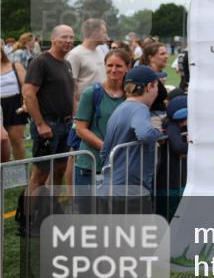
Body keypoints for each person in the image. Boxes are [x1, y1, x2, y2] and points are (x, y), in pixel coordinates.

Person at [22, 25, 76, 192]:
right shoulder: (41, 62)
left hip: (66, 126)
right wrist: (40, 124)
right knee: (40, 175)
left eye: (71, 37)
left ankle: (51, 206)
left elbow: (70, 94)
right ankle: (31, 209)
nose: (68, 41)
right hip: (48, 126)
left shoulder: (66, 63)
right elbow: (29, 94)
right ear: (53, 39)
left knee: (59, 171)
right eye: (64, 37)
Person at [100, 65, 167, 195]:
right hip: (129, 187)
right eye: (157, 86)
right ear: (149, 87)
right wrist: (158, 134)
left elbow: (104, 151)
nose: (158, 91)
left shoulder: (121, 108)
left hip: (112, 183)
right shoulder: (139, 108)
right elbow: (145, 134)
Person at [72, 48, 130, 188]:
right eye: (110, 65)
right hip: (90, 165)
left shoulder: (130, 96)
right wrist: (107, 149)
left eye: (118, 66)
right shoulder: (91, 93)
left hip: (119, 165)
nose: (113, 70)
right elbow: (80, 129)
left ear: (128, 67)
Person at [156, 95, 188, 219]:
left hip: (175, 183)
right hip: (169, 185)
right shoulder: (171, 126)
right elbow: (178, 147)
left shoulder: (179, 127)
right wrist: (194, 144)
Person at [67, 18, 108, 104]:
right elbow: (70, 87)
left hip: (101, 104)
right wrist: (75, 109)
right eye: (104, 32)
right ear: (95, 34)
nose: (106, 36)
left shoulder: (100, 51)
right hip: (84, 107)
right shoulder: (75, 55)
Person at [1, 48, 28, 160]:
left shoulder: (15, 66)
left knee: (16, 141)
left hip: (14, 105)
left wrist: (25, 103)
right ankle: (3, 167)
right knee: (2, 141)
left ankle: (21, 169)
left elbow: (26, 86)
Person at [139, 41, 170, 116]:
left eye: (166, 53)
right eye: (162, 54)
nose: (166, 56)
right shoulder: (147, 76)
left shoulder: (155, 74)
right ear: (151, 58)